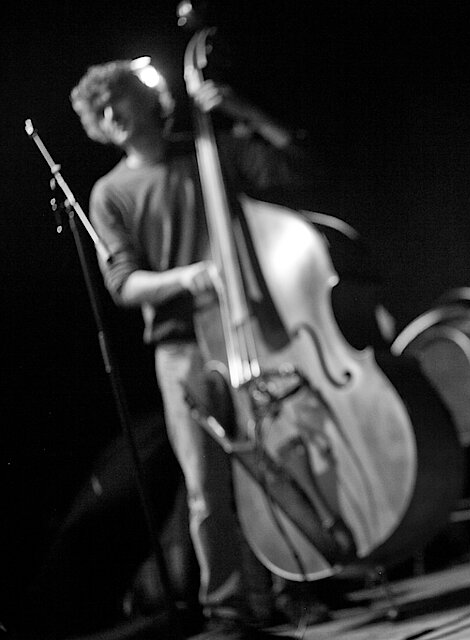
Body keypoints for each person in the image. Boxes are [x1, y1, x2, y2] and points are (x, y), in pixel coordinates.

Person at [70, 58, 315, 638]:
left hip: (251, 330)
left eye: (117, 99)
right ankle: (228, 609)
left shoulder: (207, 149)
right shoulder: (109, 193)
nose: (110, 114)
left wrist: (239, 111)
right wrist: (191, 277)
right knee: (206, 487)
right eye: (99, 111)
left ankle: (300, 586)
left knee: (277, 462)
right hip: (180, 348)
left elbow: (294, 164)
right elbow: (124, 284)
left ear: (144, 99)